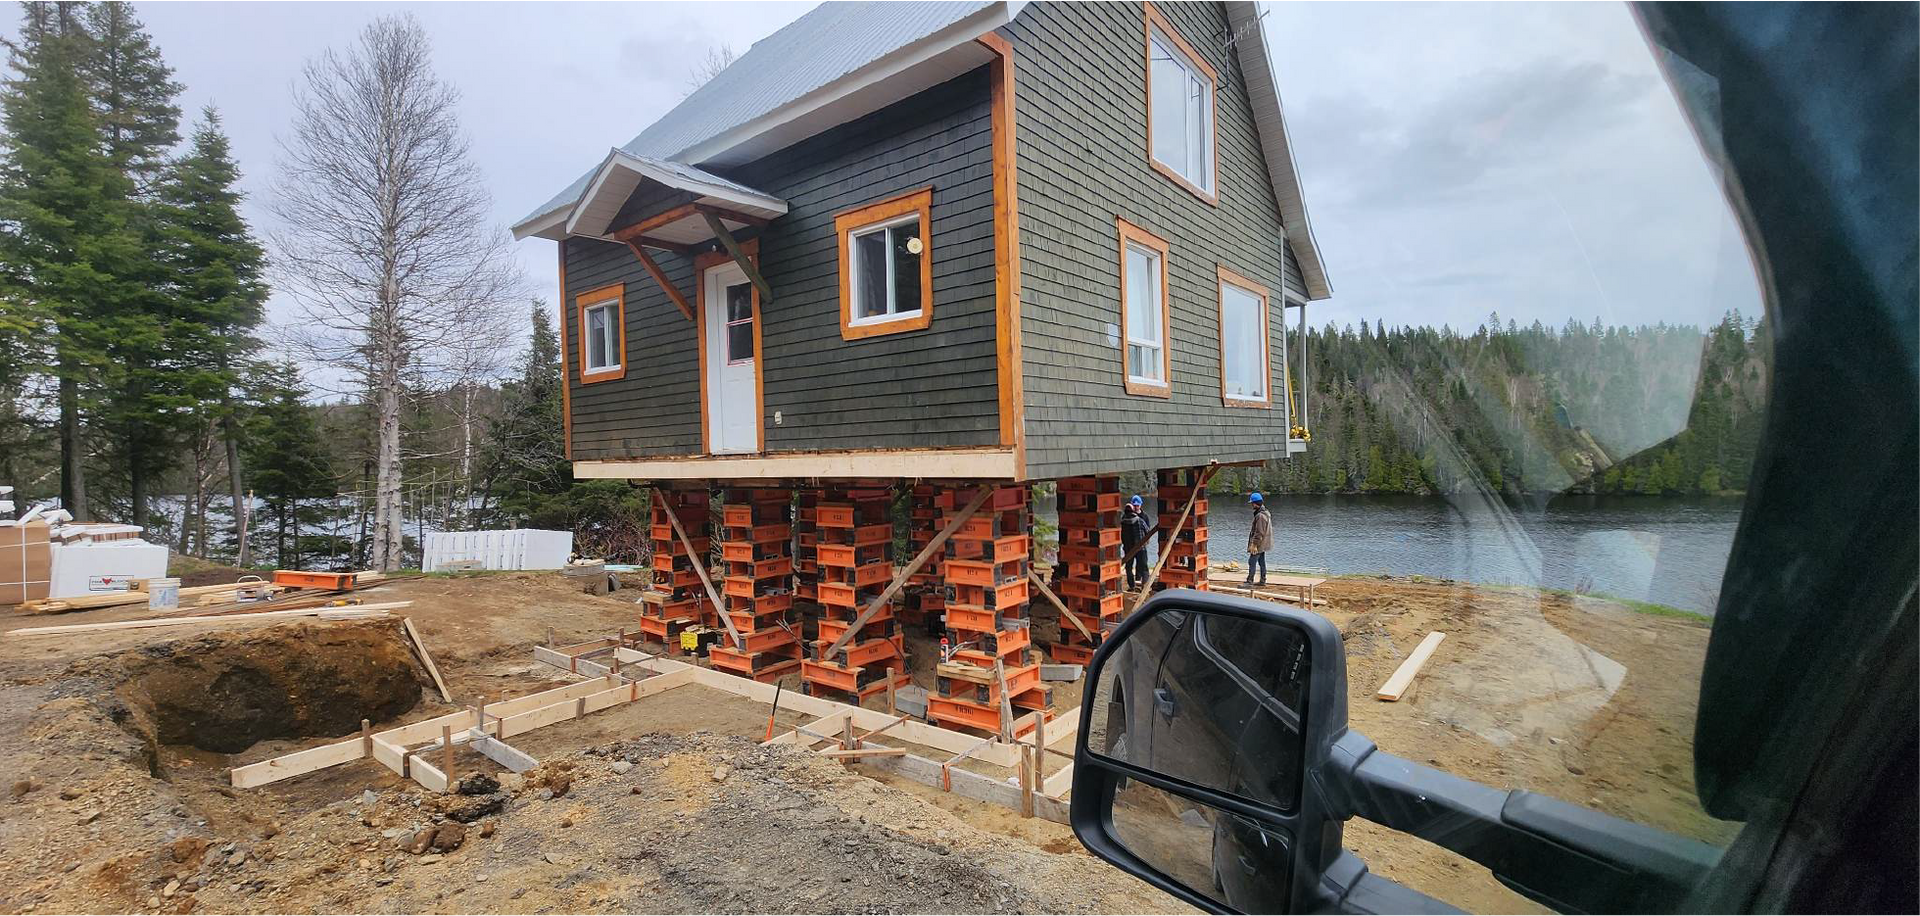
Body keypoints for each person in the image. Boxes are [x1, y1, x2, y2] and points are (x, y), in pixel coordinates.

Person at [1121, 495, 1151, 590]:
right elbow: (1148, 531)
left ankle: (1132, 586)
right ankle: (1144, 586)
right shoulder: (1139, 520)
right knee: (1144, 567)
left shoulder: (1122, 521)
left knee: (1129, 567)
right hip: (1140, 547)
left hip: (1128, 548)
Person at [1245, 492, 1271, 587]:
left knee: (1252, 561)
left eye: (1252, 503)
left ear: (1255, 503)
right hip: (1263, 543)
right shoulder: (1265, 512)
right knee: (1261, 562)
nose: (1251, 505)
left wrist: (1254, 544)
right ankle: (1262, 580)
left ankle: (1249, 581)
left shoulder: (1260, 516)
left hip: (1259, 544)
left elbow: (1259, 532)